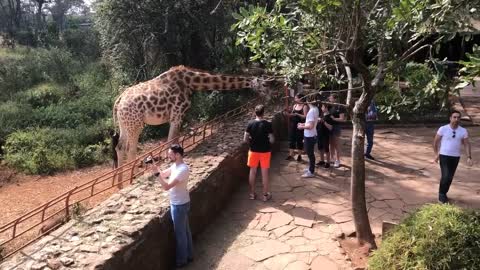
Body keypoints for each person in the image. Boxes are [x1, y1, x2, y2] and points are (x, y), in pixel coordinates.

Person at [153, 144, 193, 268]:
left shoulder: (182, 169)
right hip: (179, 202)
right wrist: (155, 168)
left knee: (180, 234)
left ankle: (182, 261)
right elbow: (164, 174)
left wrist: (156, 175)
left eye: (170, 154)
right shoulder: (175, 165)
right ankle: (189, 255)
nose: (168, 156)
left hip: (179, 205)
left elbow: (166, 186)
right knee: (185, 231)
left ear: (178, 155)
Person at [433, 110, 473, 203]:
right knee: (445, 176)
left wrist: (469, 156)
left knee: (450, 177)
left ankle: (444, 193)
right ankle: (441, 195)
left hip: (455, 157)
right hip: (444, 155)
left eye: (458, 117)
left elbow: (467, 144)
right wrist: (436, 154)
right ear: (450, 118)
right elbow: (435, 142)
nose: (456, 119)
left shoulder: (463, 131)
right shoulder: (443, 129)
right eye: (454, 117)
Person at [244, 104, 275, 202]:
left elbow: (245, 139)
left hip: (253, 151)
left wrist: (251, 142)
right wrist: (268, 142)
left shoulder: (250, 124)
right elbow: (272, 139)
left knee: (252, 171)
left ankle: (252, 194)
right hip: (265, 151)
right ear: (263, 113)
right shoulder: (267, 124)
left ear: (255, 112)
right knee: (264, 173)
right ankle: (265, 195)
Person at [297, 95, 319, 178]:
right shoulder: (315, 109)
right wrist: (303, 124)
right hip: (312, 135)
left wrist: (301, 127)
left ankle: (311, 171)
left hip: (309, 136)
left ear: (308, 101)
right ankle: (310, 167)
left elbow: (310, 126)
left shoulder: (311, 111)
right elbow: (311, 123)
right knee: (311, 153)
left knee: (310, 153)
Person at [285, 93, 308, 161]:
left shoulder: (304, 106)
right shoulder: (295, 105)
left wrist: (297, 114)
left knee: (299, 140)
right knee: (291, 140)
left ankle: (299, 155)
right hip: (293, 125)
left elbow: (305, 116)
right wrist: (288, 115)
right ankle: (291, 154)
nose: (295, 99)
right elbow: (292, 114)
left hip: (300, 125)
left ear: (300, 98)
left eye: (296, 98)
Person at [328, 94, 346, 168]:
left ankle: (337, 160)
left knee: (336, 144)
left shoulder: (340, 106)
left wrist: (334, 119)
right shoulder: (330, 106)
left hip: (336, 127)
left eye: (331, 98)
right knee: (331, 143)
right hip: (329, 126)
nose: (329, 99)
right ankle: (332, 158)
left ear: (335, 99)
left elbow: (342, 119)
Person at [316, 103, 334, 168]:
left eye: (323, 107)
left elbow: (330, 128)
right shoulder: (321, 114)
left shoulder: (330, 117)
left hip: (325, 135)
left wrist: (323, 122)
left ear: (326, 108)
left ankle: (328, 162)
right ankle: (322, 160)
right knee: (320, 148)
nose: (321, 108)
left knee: (326, 148)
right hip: (319, 133)